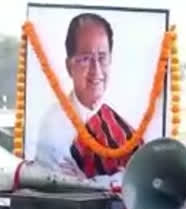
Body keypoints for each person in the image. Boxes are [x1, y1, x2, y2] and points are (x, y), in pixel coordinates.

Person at [35, 13, 140, 181]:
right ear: (69, 67)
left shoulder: (123, 126)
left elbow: (138, 181)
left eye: (102, 58)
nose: (96, 70)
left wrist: (87, 182)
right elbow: (49, 182)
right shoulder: (53, 122)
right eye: (85, 59)